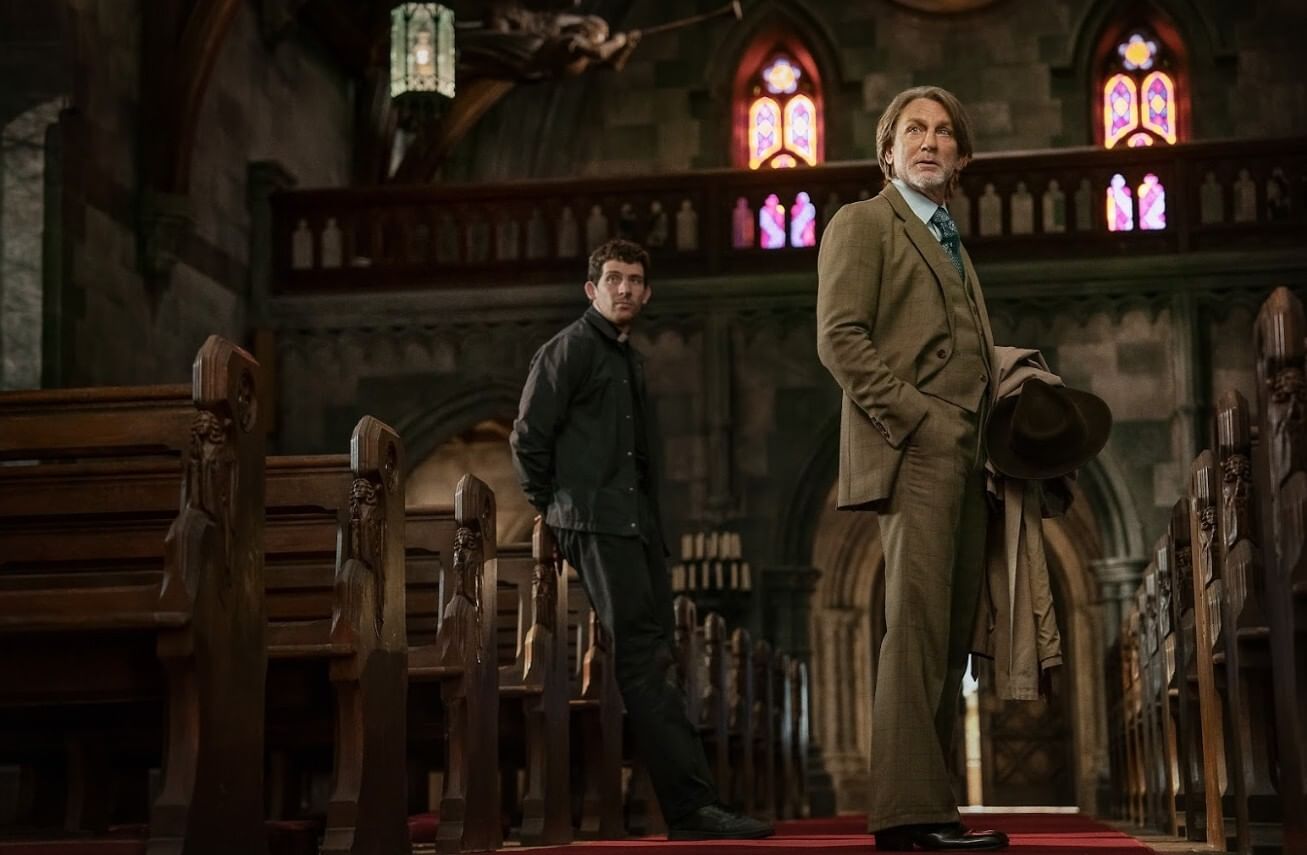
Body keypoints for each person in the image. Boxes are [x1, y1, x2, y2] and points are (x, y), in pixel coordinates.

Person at [510, 238, 773, 841]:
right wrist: (555, 508)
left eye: (634, 280)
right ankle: (692, 810)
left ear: (647, 293)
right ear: (591, 289)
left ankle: (691, 803)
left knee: (657, 660)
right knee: (644, 662)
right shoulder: (570, 350)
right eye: (613, 279)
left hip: (635, 530)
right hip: (595, 524)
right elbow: (528, 439)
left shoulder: (629, 359)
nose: (624, 289)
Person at [815, 86, 1008, 852]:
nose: (929, 141)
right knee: (916, 629)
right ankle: (903, 814)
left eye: (943, 133)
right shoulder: (863, 223)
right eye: (912, 131)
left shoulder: (950, 241)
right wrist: (921, 418)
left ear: (960, 158)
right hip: (916, 447)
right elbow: (839, 339)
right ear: (887, 151)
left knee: (948, 632)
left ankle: (935, 809)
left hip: (964, 451)